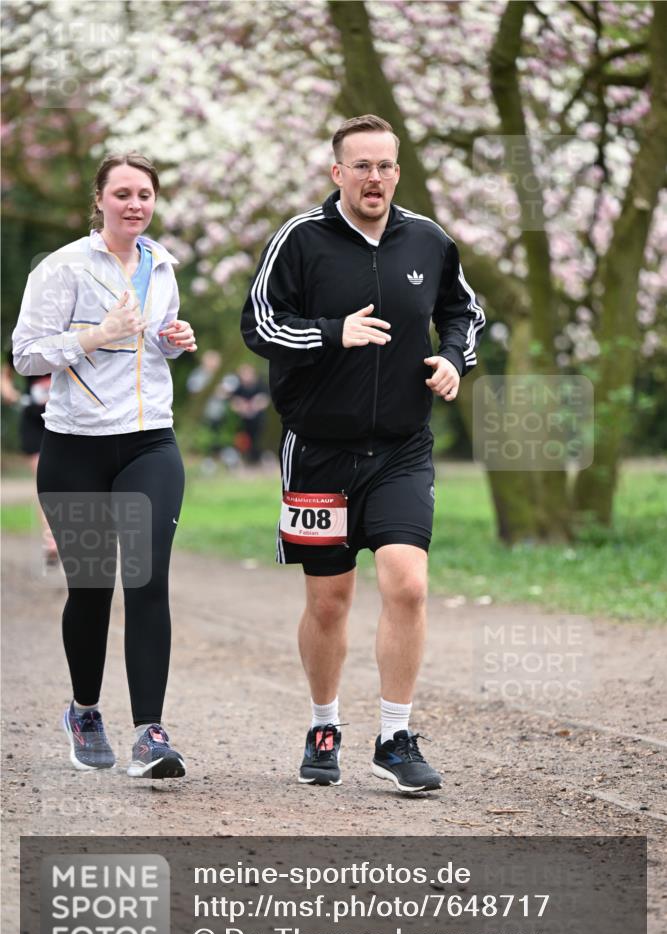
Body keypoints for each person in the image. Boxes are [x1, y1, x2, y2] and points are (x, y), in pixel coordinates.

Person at [242, 114, 484, 793]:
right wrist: (330, 332)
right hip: (317, 452)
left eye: (385, 166)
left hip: (401, 448)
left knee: (407, 582)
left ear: (397, 172)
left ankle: (395, 736)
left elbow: (463, 311)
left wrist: (454, 361)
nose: (373, 178)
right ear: (336, 172)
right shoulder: (300, 240)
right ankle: (324, 724)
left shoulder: (428, 240)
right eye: (361, 166)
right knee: (328, 601)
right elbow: (258, 324)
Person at [12, 152, 196, 779]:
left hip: (150, 441)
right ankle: (85, 712)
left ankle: (150, 733)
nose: (135, 205)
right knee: (91, 589)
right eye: (122, 194)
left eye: (144, 194)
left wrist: (174, 339)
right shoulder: (62, 267)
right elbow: (26, 357)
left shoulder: (161, 266)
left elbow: (150, 340)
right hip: (76, 447)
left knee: (147, 582)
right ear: (99, 200)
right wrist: (94, 334)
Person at [1, 354, 59, 566]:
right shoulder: (24, 337)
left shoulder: (72, 332)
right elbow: (5, 374)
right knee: (45, 482)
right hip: (34, 424)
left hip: (66, 422)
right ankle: (52, 540)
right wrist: (7, 390)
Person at [228, 363, 269, 464]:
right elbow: (232, 401)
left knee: (257, 440)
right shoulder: (237, 387)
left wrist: (256, 404)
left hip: (257, 420)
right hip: (241, 421)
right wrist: (240, 406)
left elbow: (265, 399)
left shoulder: (260, 385)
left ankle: (256, 458)